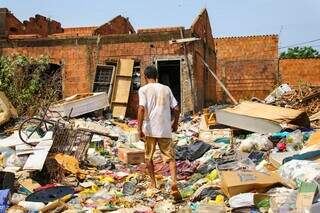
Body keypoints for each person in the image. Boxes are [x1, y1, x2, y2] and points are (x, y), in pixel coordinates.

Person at [137, 65, 181, 201]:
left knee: (148, 157)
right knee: (170, 158)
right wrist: (175, 123)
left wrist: (139, 129)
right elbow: (177, 108)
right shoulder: (166, 89)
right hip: (164, 129)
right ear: (157, 76)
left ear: (145, 77)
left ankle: (153, 183)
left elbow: (141, 109)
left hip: (149, 129)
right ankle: (174, 182)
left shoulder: (143, 89)